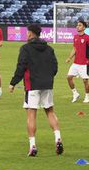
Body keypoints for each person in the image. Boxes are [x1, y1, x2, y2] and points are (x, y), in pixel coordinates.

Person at [9, 24, 63, 157]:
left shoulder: (25, 49)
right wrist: (48, 77)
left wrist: (13, 82)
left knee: (31, 114)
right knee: (50, 111)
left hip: (32, 85)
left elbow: (21, 67)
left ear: (30, 34)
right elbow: (55, 67)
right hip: (47, 84)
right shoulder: (49, 49)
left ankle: (32, 145)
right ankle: (57, 138)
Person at [65, 18, 89, 103]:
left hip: (84, 63)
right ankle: (75, 93)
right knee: (69, 77)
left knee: (85, 81)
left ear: (84, 27)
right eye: (77, 25)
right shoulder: (75, 37)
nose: (77, 27)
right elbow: (74, 49)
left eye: (79, 25)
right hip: (76, 63)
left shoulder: (88, 38)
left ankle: (87, 96)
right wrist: (69, 58)